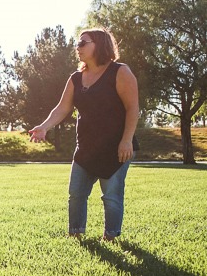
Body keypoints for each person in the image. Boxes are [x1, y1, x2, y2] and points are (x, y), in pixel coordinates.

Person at [29, 28, 139, 241]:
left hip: (116, 147)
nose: (77, 47)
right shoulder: (76, 78)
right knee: (76, 194)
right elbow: (62, 108)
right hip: (85, 147)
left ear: (99, 44)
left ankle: (111, 237)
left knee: (111, 197)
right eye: (77, 44)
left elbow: (133, 108)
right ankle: (76, 234)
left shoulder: (120, 72)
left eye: (82, 43)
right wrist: (44, 127)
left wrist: (127, 140)